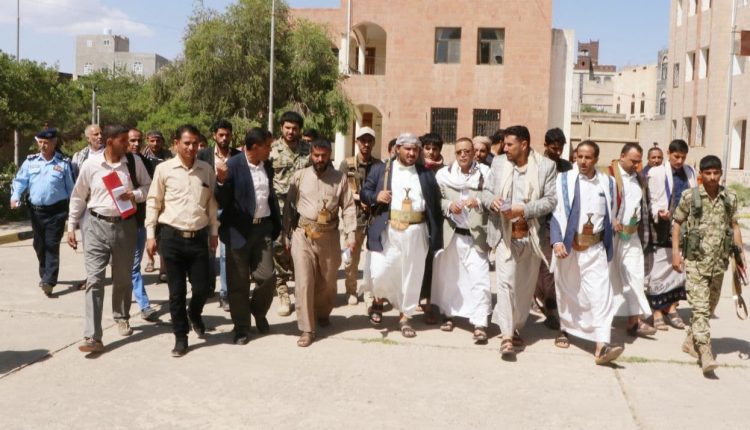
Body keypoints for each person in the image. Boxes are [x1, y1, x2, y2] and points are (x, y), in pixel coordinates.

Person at [67, 125, 151, 353]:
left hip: (125, 226)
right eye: (124, 141)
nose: (129, 145)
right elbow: (78, 196)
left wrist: (134, 194)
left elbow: (148, 187)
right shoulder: (91, 164)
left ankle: (121, 316)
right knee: (94, 279)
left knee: (122, 277)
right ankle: (92, 336)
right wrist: (71, 225)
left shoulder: (133, 162)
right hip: (95, 225)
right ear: (111, 141)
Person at [482, 125, 557, 360]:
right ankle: (506, 336)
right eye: (504, 144)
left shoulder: (546, 166)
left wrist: (523, 209)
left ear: (524, 144)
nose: (504, 148)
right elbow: (485, 192)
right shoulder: (498, 163)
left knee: (524, 288)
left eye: (509, 144)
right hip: (504, 235)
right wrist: (492, 201)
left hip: (531, 236)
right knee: (505, 284)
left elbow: (550, 201)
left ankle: (515, 327)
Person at [145, 124, 219, 357]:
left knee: (202, 288)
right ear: (176, 144)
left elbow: (212, 203)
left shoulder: (206, 170)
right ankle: (181, 336)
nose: (191, 147)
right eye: (186, 143)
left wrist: (214, 232)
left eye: (195, 143)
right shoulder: (164, 169)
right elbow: (153, 202)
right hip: (171, 237)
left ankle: (194, 314)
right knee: (176, 292)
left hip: (198, 238)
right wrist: (150, 235)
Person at [361, 133, 442, 337]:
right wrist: (376, 196)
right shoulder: (381, 169)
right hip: (388, 230)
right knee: (380, 271)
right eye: (408, 149)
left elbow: (434, 204)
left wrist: (435, 235)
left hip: (416, 232)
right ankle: (378, 301)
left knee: (411, 276)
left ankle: (405, 317)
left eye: (415, 149)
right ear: (397, 149)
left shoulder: (425, 174)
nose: (412, 153)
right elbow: (364, 192)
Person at [551, 140, 624, 365]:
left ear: (596, 159)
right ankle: (565, 329)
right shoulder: (564, 180)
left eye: (588, 157)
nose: (583, 161)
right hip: (569, 247)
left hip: (595, 248)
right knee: (568, 290)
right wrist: (556, 240)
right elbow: (556, 212)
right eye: (579, 156)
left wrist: (615, 221)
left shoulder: (608, 182)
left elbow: (613, 210)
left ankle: (602, 344)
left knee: (601, 294)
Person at [672, 155, 744, 374]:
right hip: (695, 262)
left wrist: (740, 257)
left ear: (721, 173)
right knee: (700, 309)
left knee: (710, 306)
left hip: (719, 263)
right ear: (701, 175)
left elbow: (734, 226)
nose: (712, 177)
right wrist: (675, 253)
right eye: (708, 173)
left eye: (716, 173)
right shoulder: (690, 196)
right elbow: (677, 223)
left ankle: (690, 341)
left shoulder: (729, 197)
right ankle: (705, 351)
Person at [284, 138, 356, 347]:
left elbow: (348, 207)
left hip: (329, 236)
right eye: (316, 155)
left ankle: (323, 312)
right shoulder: (300, 176)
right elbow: (289, 206)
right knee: (304, 281)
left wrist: (350, 235)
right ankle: (307, 328)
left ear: (330, 155)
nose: (319, 159)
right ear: (311, 154)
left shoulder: (340, 178)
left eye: (324, 156)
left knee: (328, 281)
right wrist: (285, 234)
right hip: (303, 234)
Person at [216, 128, 281, 345]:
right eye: (267, 146)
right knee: (238, 283)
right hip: (238, 232)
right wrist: (221, 181)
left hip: (263, 230)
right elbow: (221, 200)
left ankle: (258, 311)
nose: (270, 150)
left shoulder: (267, 166)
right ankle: (241, 327)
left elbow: (269, 196)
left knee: (268, 277)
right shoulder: (233, 166)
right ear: (255, 147)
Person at [432, 138, 492, 344]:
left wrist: (479, 202)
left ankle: (480, 323)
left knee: (480, 279)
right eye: (459, 152)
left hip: (476, 236)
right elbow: (437, 200)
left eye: (467, 151)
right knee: (451, 279)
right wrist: (449, 205)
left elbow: (493, 197)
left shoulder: (485, 174)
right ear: (455, 153)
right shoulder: (444, 174)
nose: (463, 155)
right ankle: (448, 315)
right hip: (452, 235)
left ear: (474, 152)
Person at [10, 128, 74, 297]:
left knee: (51, 244)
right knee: (39, 245)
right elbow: (20, 181)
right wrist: (15, 197)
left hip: (57, 211)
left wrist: (75, 212)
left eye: (46, 143)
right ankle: (45, 274)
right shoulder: (30, 162)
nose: (43, 146)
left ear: (54, 143)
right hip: (36, 212)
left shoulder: (63, 163)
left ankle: (49, 281)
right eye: (40, 142)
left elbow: (71, 189)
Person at [646, 139, 696, 330]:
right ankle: (657, 311)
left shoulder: (690, 171)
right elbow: (652, 199)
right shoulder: (656, 172)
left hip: (683, 228)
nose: (679, 161)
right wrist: (659, 212)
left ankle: (672, 308)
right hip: (662, 227)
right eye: (676, 156)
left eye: (683, 157)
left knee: (678, 271)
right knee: (658, 270)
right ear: (668, 153)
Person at [608, 144, 656, 337]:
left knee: (635, 275)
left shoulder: (640, 179)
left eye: (638, 161)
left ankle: (634, 321)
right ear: (622, 156)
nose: (636, 165)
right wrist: (610, 219)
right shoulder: (607, 175)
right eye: (633, 161)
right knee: (605, 278)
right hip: (609, 237)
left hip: (631, 236)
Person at [270, 111, 310, 316]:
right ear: (281, 128)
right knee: (279, 248)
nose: (291, 131)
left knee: (303, 248)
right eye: (287, 128)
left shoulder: (308, 150)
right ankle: (282, 290)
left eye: (295, 128)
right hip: (279, 207)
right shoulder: (272, 150)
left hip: (303, 207)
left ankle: (302, 292)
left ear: (300, 129)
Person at [198, 119, 240, 311]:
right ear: (214, 135)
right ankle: (207, 287)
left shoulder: (238, 157)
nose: (224, 138)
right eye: (221, 135)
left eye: (227, 135)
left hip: (227, 210)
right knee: (207, 253)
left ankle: (225, 294)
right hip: (206, 209)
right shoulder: (203, 155)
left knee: (225, 255)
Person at [534, 127, 574, 330]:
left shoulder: (567, 167)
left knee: (556, 266)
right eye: (553, 148)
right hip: (540, 221)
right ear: (546, 145)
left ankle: (552, 305)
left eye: (560, 149)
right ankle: (549, 309)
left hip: (561, 221)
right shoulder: (537, 165)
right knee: (544, 266)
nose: (557, 152)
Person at [340, 127, 383, 305]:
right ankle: (350, 290)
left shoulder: (379, 165)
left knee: (374, 257)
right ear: (356, 142)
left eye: (369, 140)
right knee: (350, 256)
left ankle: (369, 291)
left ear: (373, 143)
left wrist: (371, 200)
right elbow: (341, 190)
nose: (366, 144)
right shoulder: (347, 164)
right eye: (362, 140)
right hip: (353, 217)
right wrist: (360, 198)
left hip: (373, 217)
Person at [127, 128, 158, 322]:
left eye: (138, 140)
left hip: (138, 222)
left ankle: (144, 305)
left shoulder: (143, 162)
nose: (136, 144)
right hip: (112, 225)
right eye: (132, 140)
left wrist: (135, 195)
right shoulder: (105, 162)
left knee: (133, 266)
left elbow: (151, 190)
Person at [70, 124, 104, 290]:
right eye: (95, 134)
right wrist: (72, 220)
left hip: (105, 205)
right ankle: (91, 277)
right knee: (89, 244)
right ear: (88, 138)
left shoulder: (110, 154)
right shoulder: (79, 157)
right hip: (86, 207)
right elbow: (76, 185)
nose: (99, 136)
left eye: (101, 133)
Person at [142, 130, 172, 282]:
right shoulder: (142, 157)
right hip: (146, 199)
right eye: (152, 140)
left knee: (162, 235)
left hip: (164, 199)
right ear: (147, 141)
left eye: (158, 141)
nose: (155, 144)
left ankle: (163, 267)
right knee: (150, 230)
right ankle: (150, 260)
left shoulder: (169, 156)